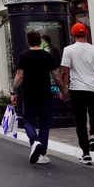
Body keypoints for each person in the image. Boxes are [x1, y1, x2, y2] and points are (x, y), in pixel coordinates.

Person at [60, 22, 94, 165]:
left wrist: (64, 90)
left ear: (73, 34)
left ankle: (86, 153)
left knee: (80, 121)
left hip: (77, 89)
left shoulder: (68, 50)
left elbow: (65, 71)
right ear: (86, 33)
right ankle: (93, 136)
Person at [11, 30, 66, 165]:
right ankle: (42, 152)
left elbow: (20, 76)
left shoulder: (24, 56)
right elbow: (56, 75)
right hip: (45, 93)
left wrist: (13, 91)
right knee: (44, 123)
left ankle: (34, 142)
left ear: (28, 41)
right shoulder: (47, 56)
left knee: (28, 120)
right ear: (40, 41)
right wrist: (63, 90)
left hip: (28, 93)